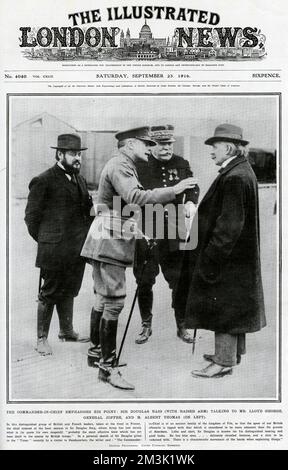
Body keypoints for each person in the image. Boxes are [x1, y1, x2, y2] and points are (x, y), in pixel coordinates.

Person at [81, 126, 198, 390]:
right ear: (131, 144)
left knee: (102, 298)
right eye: (145, 144)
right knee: (113, 302)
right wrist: (177, 189)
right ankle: (107, 368)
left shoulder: (123, 164)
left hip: (107, 239)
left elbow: (118, 206)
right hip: (109, 243)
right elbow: (135, 197)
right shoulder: (121, 166)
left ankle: (96, 354)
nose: (150, 148)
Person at [175, 124, 266, 378]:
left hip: (227, 259)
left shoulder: (235, 177)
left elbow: (228, 228)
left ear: (227, 147)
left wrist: (210, 259)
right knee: (233, 307)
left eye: (214, 147)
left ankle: (223, 361)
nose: (211, 152)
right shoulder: (240, 170)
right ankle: (231, 354)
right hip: (238, 259)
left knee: (223, 307)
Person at [25, 133, 93, 356]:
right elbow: (31, 218)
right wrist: (48, 240)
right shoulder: (44, 180)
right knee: (50, 293)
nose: (77, 159)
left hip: (77, 250)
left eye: (79, 155)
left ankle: (66, 331)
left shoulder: (79, 179)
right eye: (73, 154)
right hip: (55, 251)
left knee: (70, 290)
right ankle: (41, 339)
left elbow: (86, 213)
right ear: (60, 154)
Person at [133, 125, 199, 345]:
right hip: (147, 230)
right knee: (144, 280)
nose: (166, 148)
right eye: (161, 144)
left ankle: (182, 325)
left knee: (180, 280)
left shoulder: (182, 164)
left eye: (169, 144)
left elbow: (193, 187)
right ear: (152, 145)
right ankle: (146, 325)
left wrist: (190, 201)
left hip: (174, 230)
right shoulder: (140, 165)